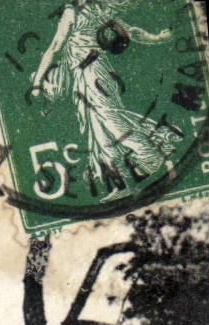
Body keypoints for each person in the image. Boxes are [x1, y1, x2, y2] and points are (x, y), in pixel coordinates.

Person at [29, 0, 177, 200]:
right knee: (100, 133)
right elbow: (132, 31)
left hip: (94, 73)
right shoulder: (99, 9)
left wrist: (37, 82)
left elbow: (55, 46)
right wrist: (158, 38)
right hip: (85, 75)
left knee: (111, 121)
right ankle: (123, 182)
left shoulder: (74, 12)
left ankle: (150, 156)